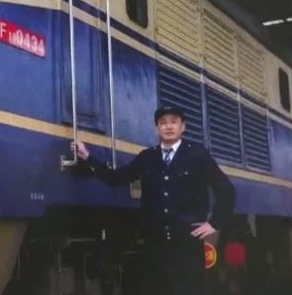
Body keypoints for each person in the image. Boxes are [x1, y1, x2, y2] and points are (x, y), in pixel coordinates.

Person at [72, 105, 235, 295]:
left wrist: (214, 222)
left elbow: (225, 189)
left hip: (187, 243)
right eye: (163, 123)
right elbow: (116, 178)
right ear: (157, 128)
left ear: (183, 127)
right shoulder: (147, 157)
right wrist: (88, 157)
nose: (169, 126)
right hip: (155, 245)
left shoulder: (197, 155)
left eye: (174, 122)